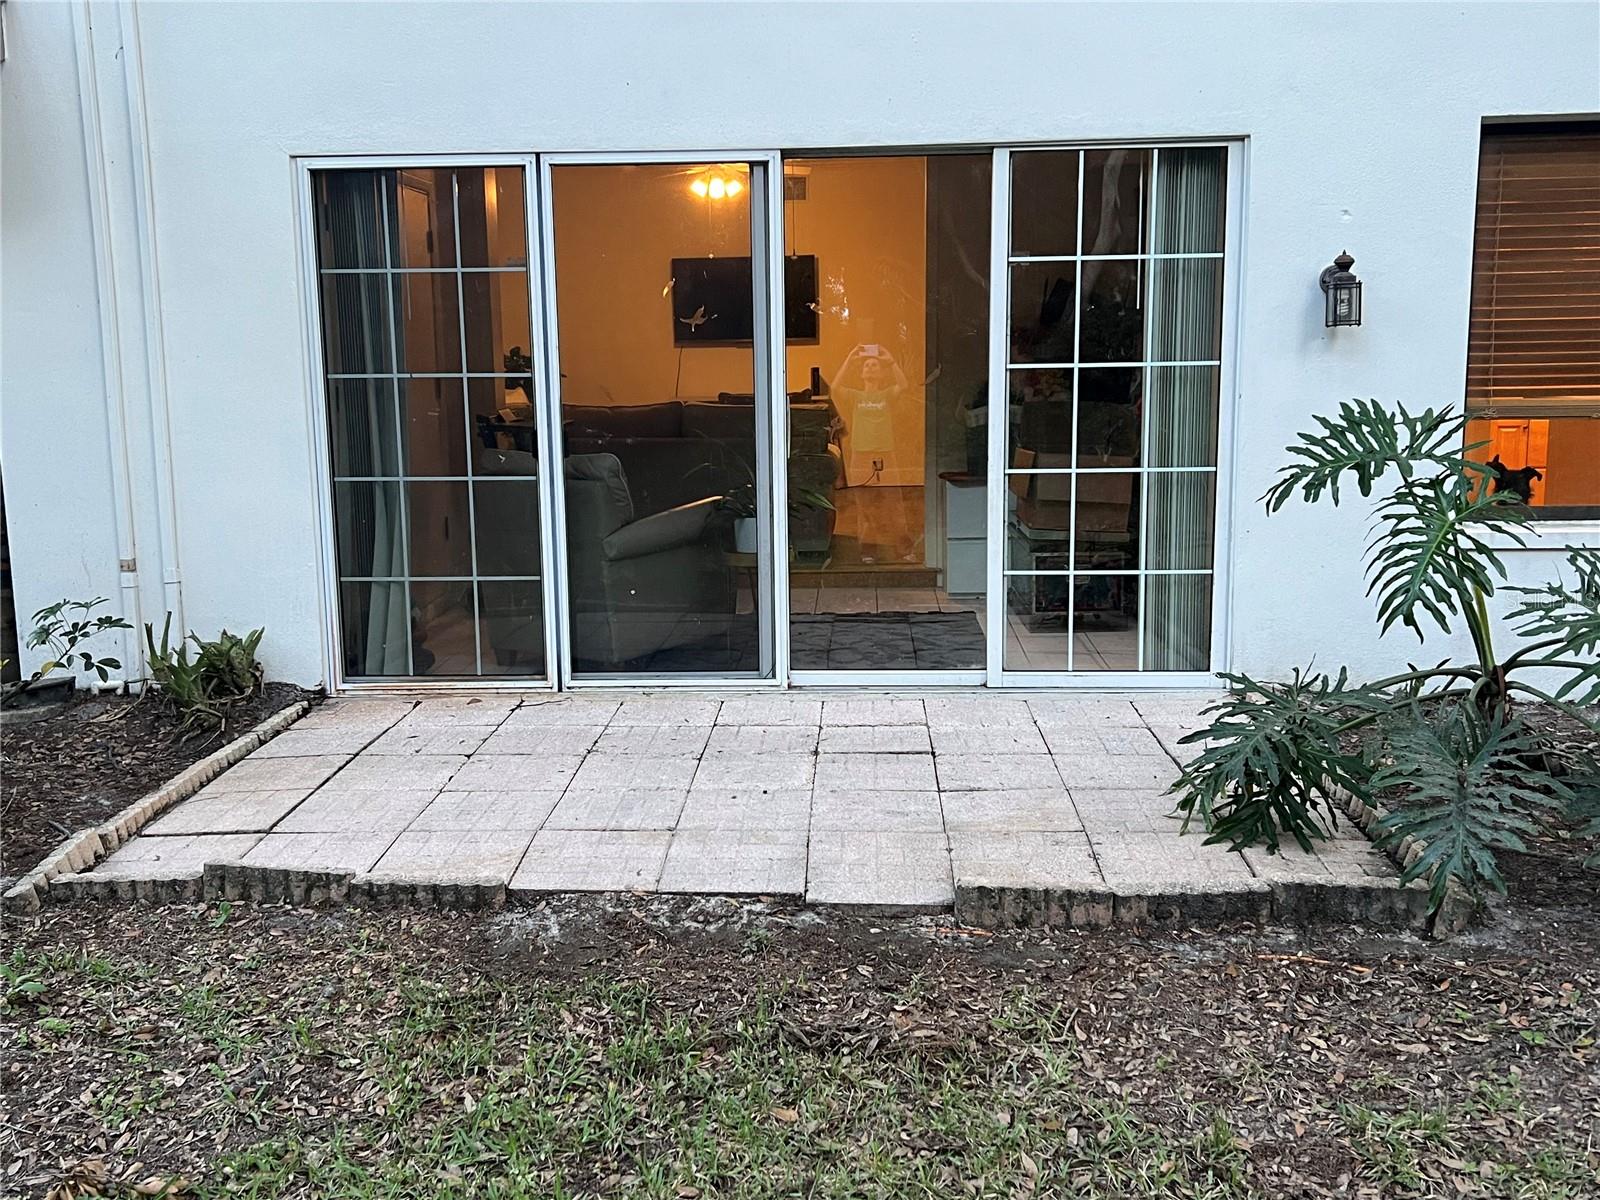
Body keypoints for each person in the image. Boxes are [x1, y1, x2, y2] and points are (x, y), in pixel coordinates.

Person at [829, 344, 919, 562]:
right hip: (861, 455)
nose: (870, 367)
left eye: (874, 365)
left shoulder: (887, 394)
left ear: (880, 373)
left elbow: (903, 385)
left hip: (885, 454)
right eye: (867, 365)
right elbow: (835, 387)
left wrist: (889, 360)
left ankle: (904, 548)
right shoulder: (855, 396)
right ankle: (867, 549)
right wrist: (850, 358)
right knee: (864, 505)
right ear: (861, 372)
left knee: (894, 503)